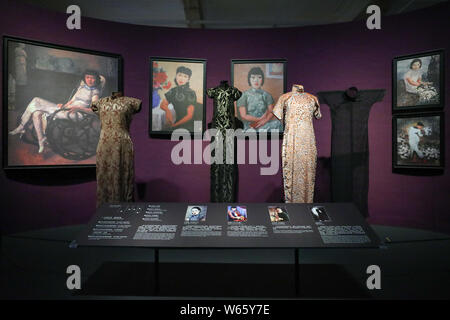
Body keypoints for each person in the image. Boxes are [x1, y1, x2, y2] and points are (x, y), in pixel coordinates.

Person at [9, 70, 102, 153]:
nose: (89, 80)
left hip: (76, 114)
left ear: (96, 80)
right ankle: (41, 140)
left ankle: (22, 127)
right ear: (84, 78)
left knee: (36, 100)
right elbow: (72, 101)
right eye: (87, 77)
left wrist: (79, 109)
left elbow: (94, 111)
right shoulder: (81, 88)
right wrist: (64, 105)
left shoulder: (95, 93)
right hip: (66, 110)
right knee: (36, 113)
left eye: (92, 78)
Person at [236, 67, 283, 131]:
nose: (256, 80)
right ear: (249, 79)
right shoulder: (244, 95)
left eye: (259, 77)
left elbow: (271, 111)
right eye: (253, 77)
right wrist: (259, 119)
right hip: (249, 125)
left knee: (278, 124)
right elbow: (243, 115)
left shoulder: (267, 95)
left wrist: (265, 121)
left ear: (262, 79)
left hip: (264, 123)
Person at [159, 66, 198, 131]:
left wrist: (174, 125)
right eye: (180, 75)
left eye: (185, 76)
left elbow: (189, 116)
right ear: (176, 76)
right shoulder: (173, 91)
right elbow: (162, 104)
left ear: (188, 79)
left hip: (189, 124)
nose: (181, 79)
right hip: (177, 121)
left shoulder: (191, 93)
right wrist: (168, 111)